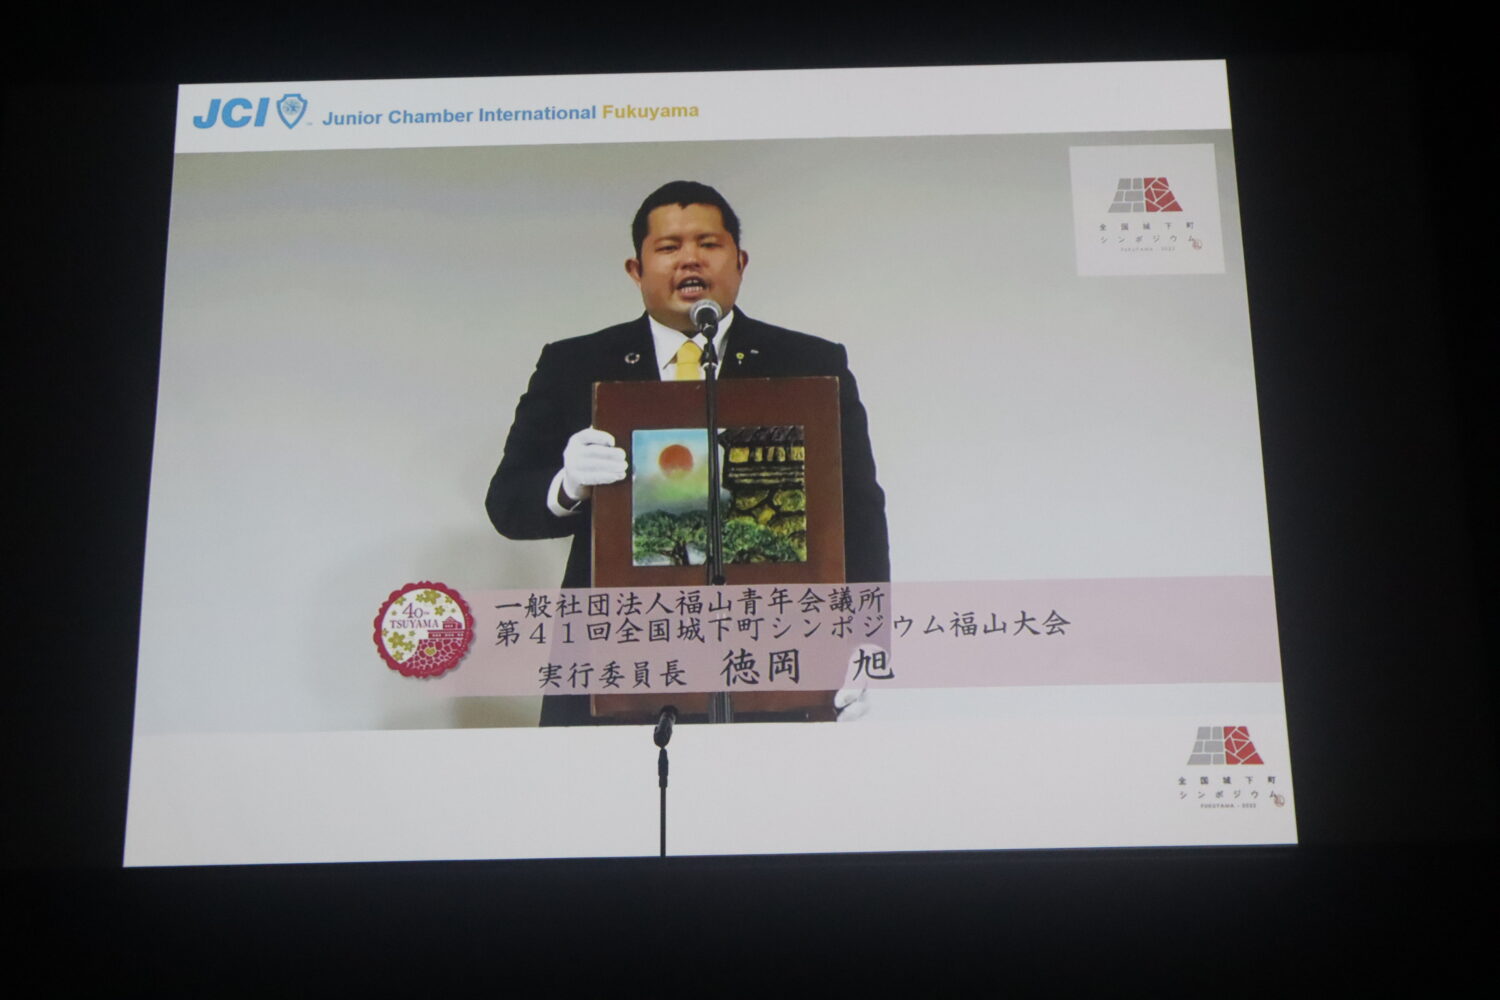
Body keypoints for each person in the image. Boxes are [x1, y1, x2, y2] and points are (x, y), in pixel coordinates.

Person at [486, 180, 889, 725]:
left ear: (740, 262)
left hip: (772, 654)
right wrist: (567, 486)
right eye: (669, 247)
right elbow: (507, 505)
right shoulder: (575, 364)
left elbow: (858, 511)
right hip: (621, 655)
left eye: (709, 244)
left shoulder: (809, 363)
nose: (690, 260)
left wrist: (868, 639)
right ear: (636, 269)